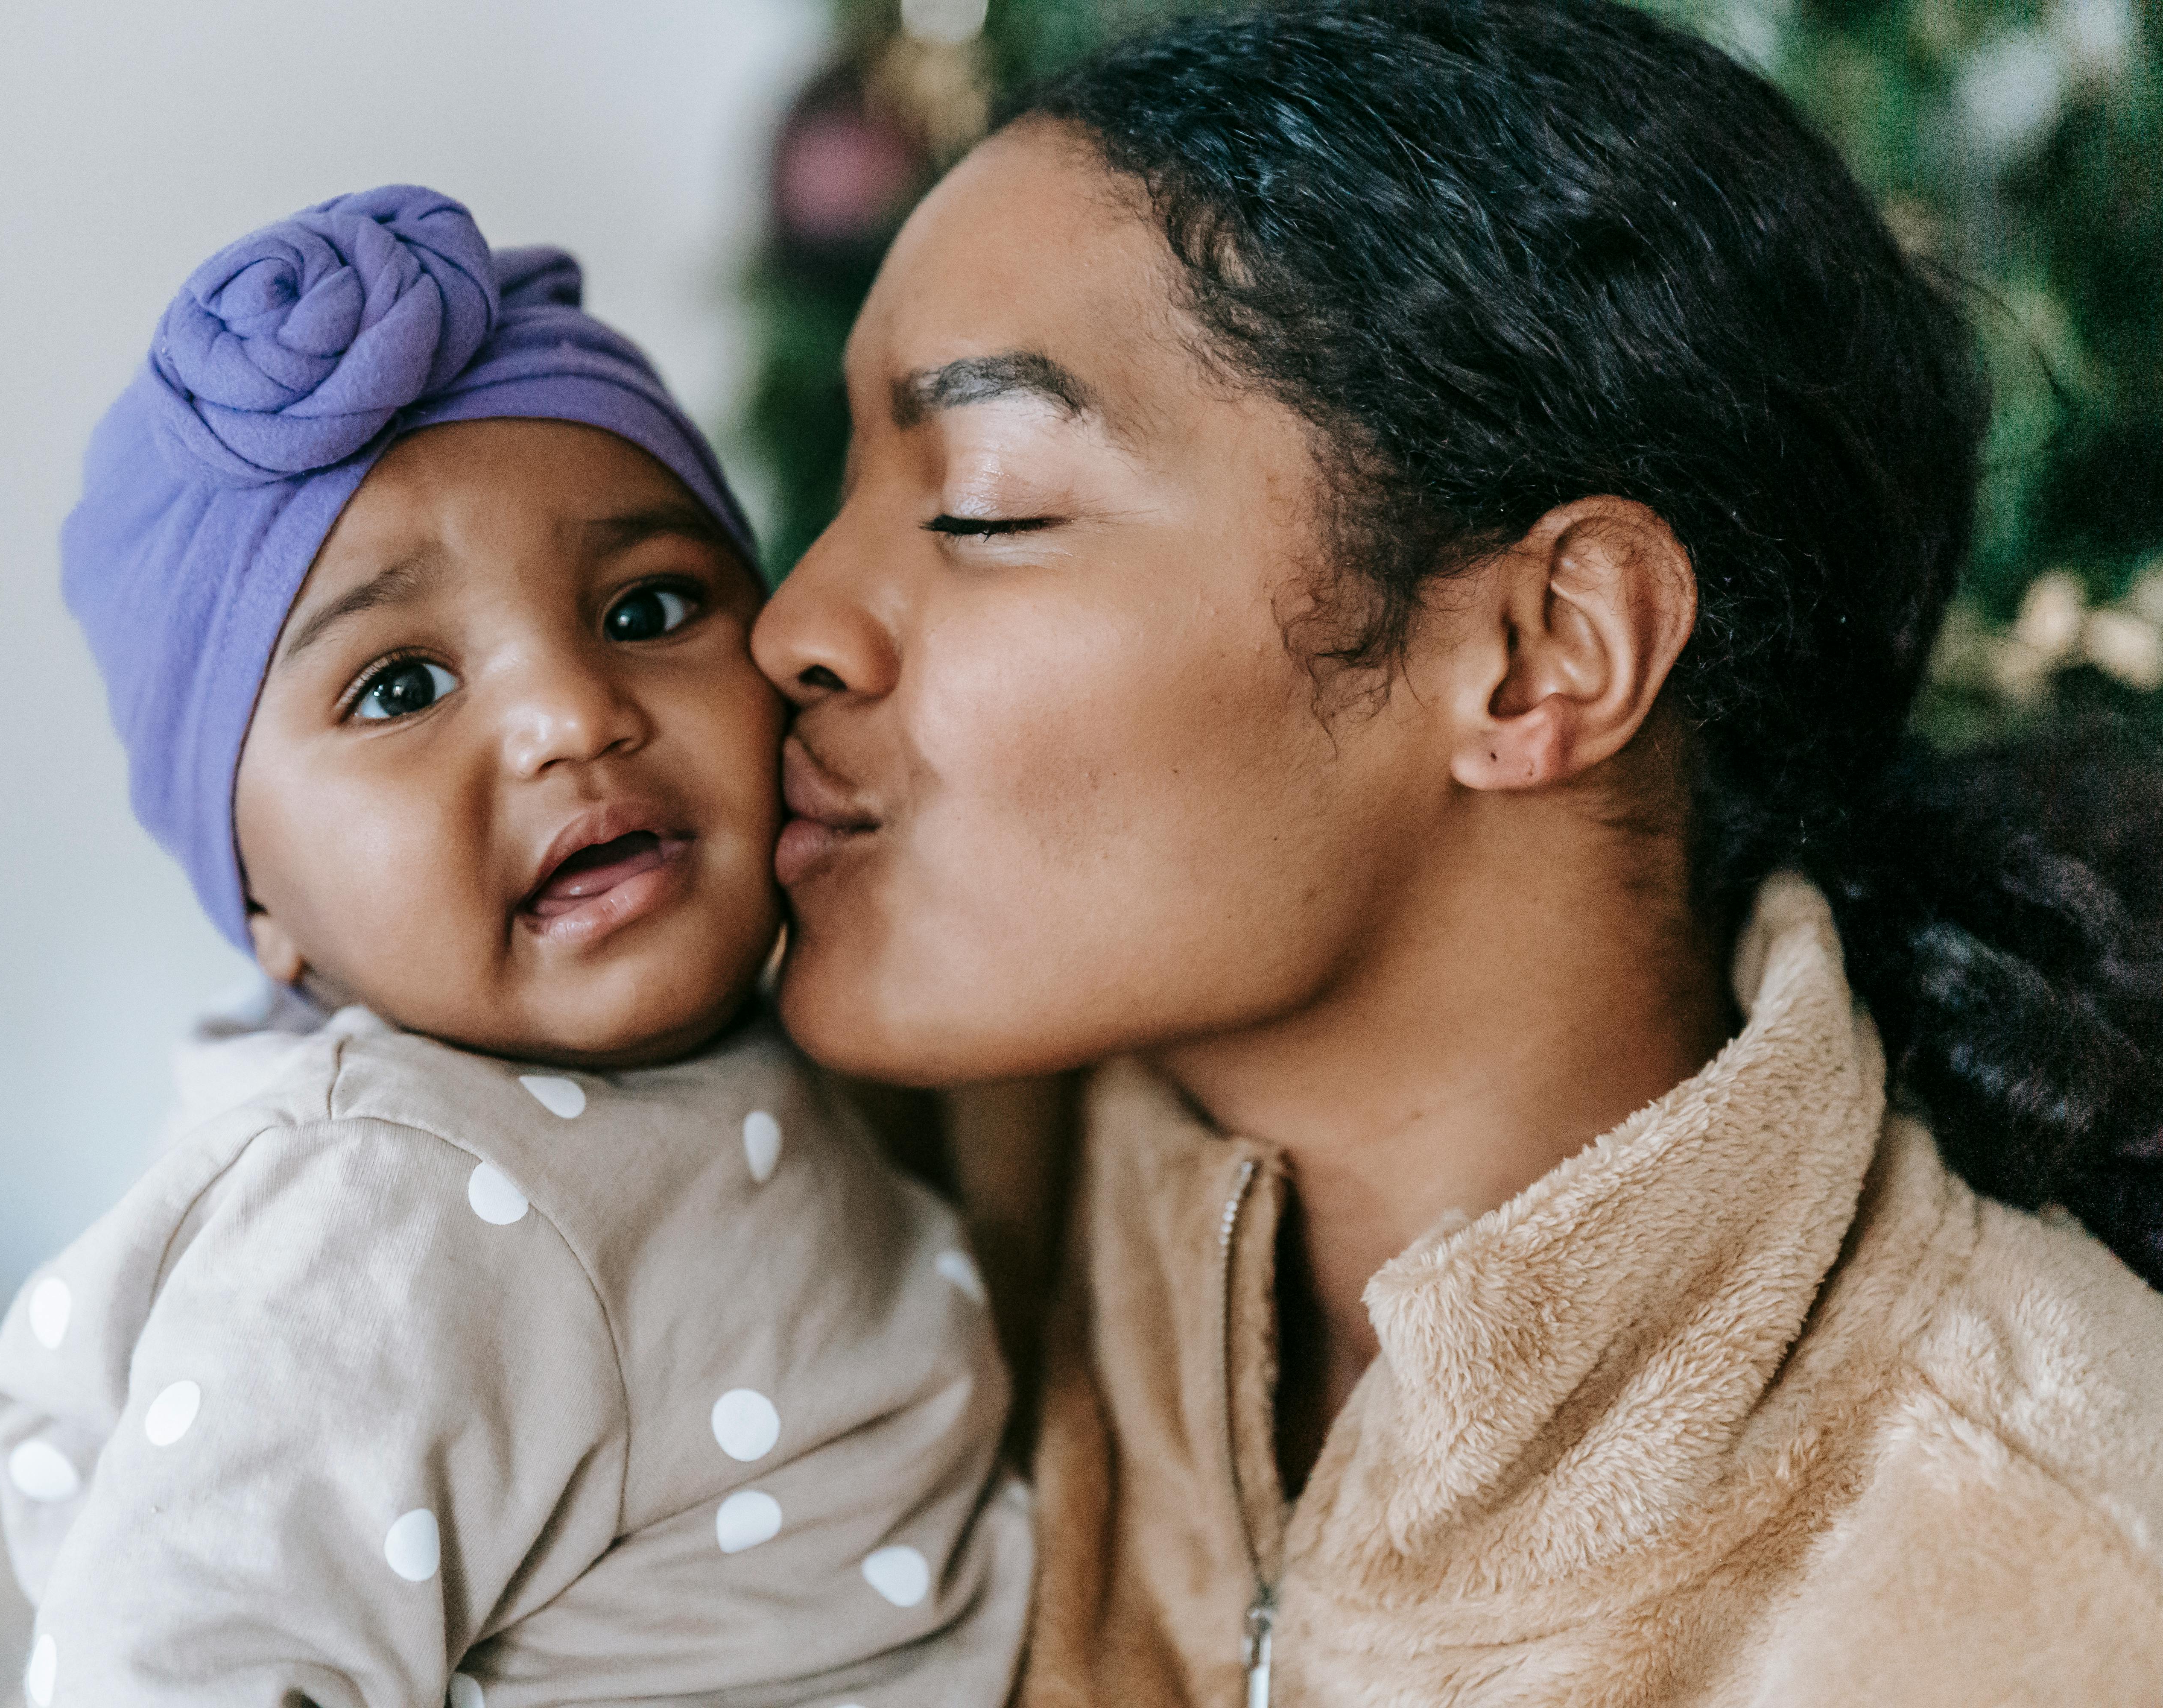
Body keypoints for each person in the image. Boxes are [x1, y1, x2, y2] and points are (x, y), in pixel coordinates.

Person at [750, 2, 2163, 1702]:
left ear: (1544, 649)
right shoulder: (839, 1211)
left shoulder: (2057, 1582)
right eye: (843, 495)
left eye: (983, 501)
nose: (797, 624)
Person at [0, 186, 1029, 1708]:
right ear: (260, 900)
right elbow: (181, 1665)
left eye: (651, 605)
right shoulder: (383, 1206)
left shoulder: (795, 1008)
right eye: (401, 689)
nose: (570, 714)